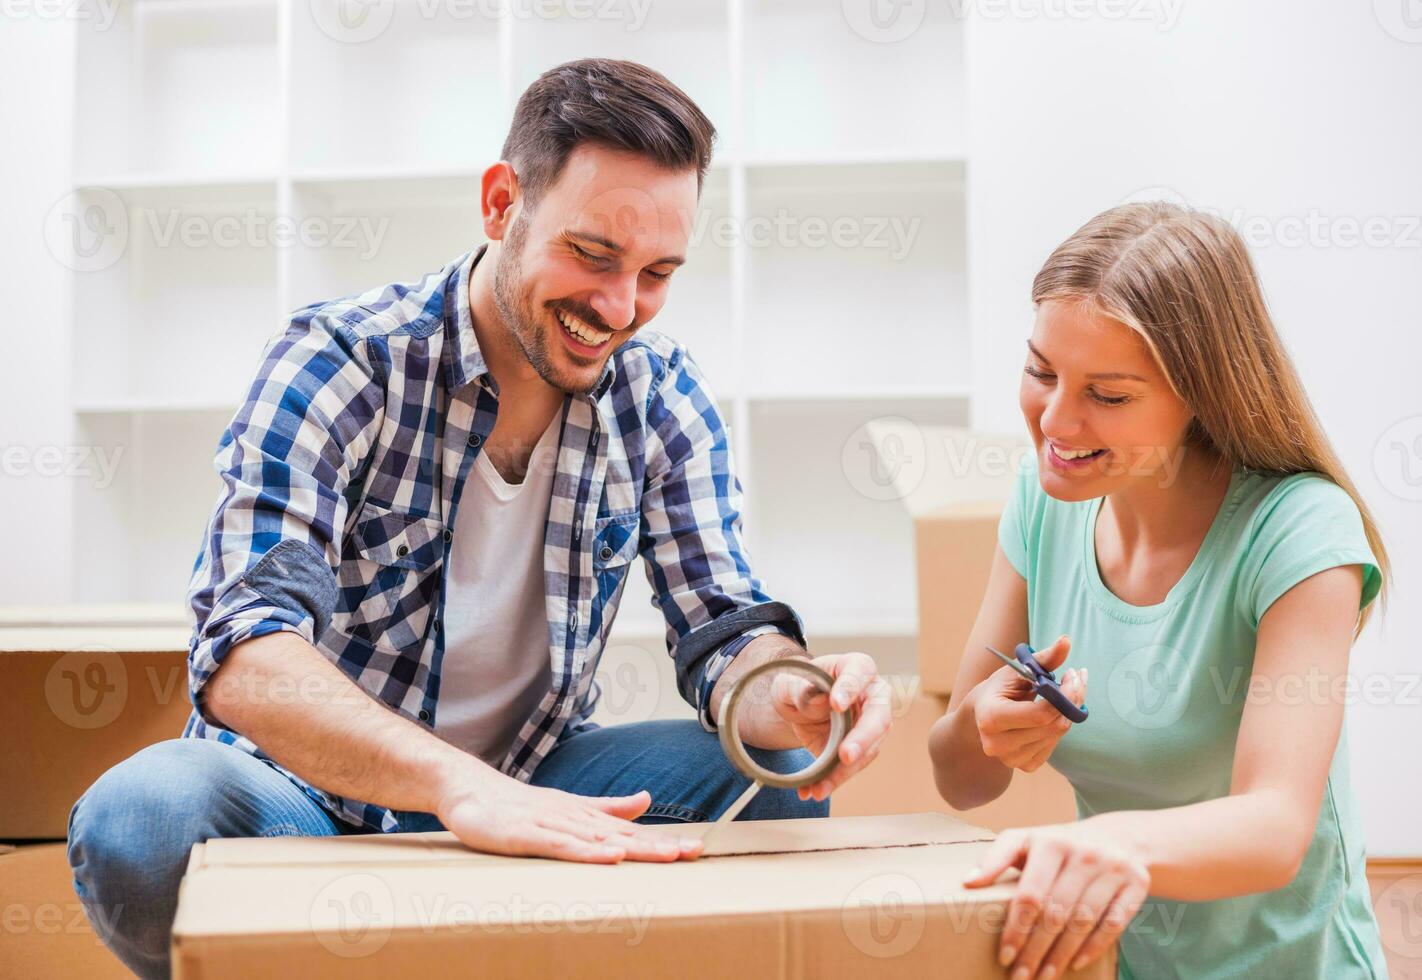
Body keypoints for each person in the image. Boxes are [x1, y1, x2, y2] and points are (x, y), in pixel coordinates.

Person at [67, 58, 892, 979]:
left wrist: (789, 696)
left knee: (770, 784)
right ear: (503, 204)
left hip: (533, 774)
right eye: (592, 255)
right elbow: (247, 658)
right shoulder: (343, 360)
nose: (620, 309)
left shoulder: (663, 399)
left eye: (657, 272)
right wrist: (459, 788)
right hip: (307, 791)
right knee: (141, 816)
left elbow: (723, 624)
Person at [929, 202, 1390, 979]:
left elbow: (1275, 827)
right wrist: (983, 725)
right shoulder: (1043, 504)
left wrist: (1105, 842)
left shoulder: (1299, 530)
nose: (1056, 421)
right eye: (1041, 371)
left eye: (1108, 396)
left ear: (1204, 397)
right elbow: (962, 781)